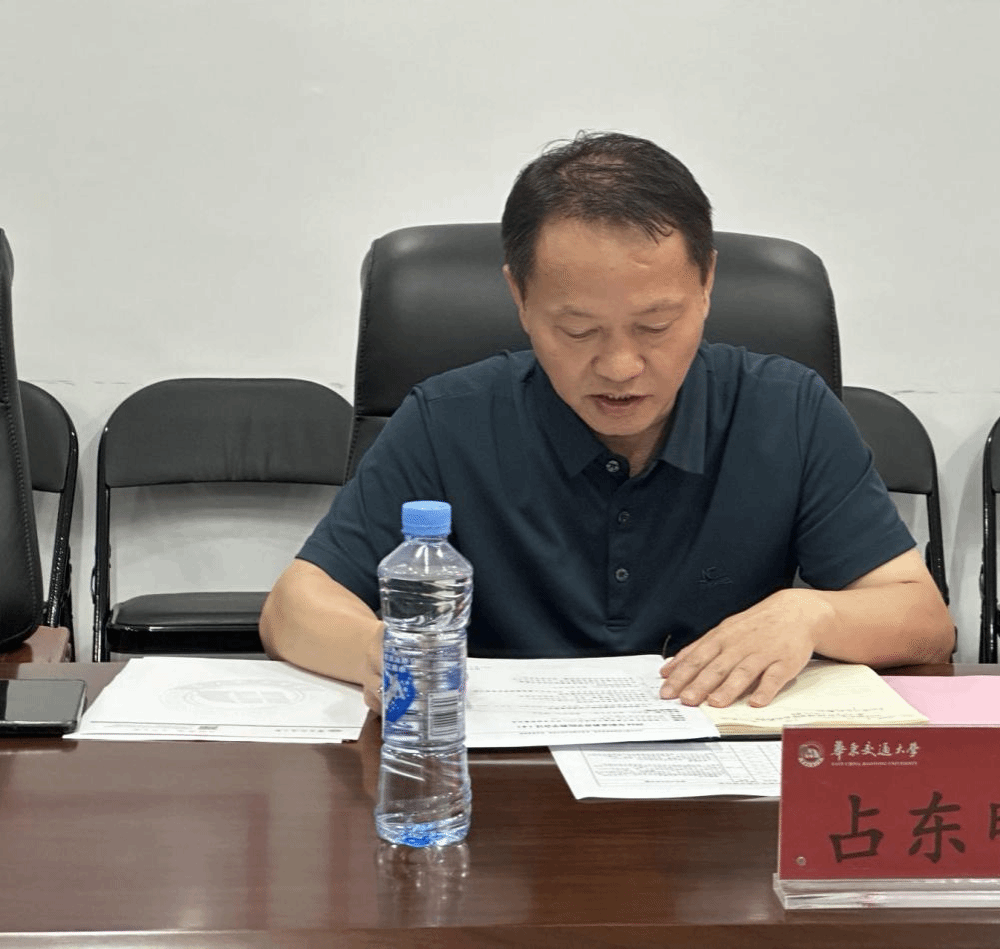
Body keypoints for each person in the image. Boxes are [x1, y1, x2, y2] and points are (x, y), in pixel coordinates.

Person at [260, 131, 955, 714]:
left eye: (656, 325)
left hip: (715, 784)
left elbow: (924, 622)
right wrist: (382, 652)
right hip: (504, 783)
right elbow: (295, 607)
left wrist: (811, 613)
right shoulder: (447, 419)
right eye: (578, 330)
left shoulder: (787, 410)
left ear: (707, 285)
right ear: (519, 296)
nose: (621, 367)